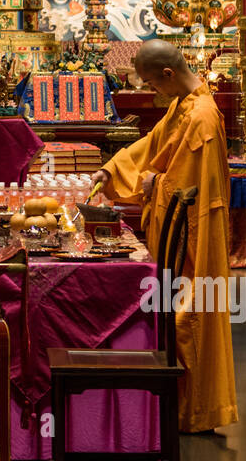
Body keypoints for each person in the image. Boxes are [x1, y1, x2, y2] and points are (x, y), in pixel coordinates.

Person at [89, 39, 238, 433]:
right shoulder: (182, 106)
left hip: (194, 236)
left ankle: (194, 410)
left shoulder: (203, 117)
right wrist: (112, 169)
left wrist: (153, 181)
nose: (153, 94)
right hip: (177, 231)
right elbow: (151, 145)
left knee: (188, 314)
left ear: (169, 75)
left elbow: (188, 193)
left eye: (153, 85)